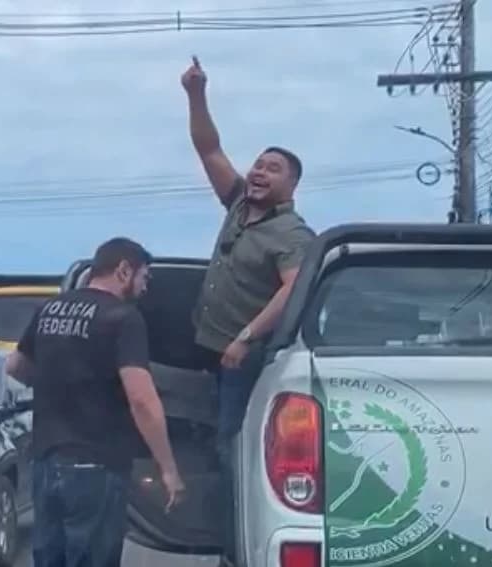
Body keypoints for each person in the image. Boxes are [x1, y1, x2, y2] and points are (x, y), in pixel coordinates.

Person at [181, 56, 315, 565]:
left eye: (272, 168)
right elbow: (208, 147)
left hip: (247, 357)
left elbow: (293, 289)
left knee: (232, 448)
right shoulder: (238, 203)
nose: (259, 172)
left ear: (291, 185)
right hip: (210, 350)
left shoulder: (292, 233)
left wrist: (246, 336)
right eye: (258, 164)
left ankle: (236, 545)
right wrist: (196, 94)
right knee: (207, 437)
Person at [6, 237, 185, 567]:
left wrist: (54, 381)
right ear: (123, 270)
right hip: (96, 467)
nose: (145, 287)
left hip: (46, 462)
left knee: (49, 557)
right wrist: (168, 469)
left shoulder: (49, 309)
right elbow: (142, 401)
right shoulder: (123, 318)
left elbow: (15, 366)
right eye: (144, 277)